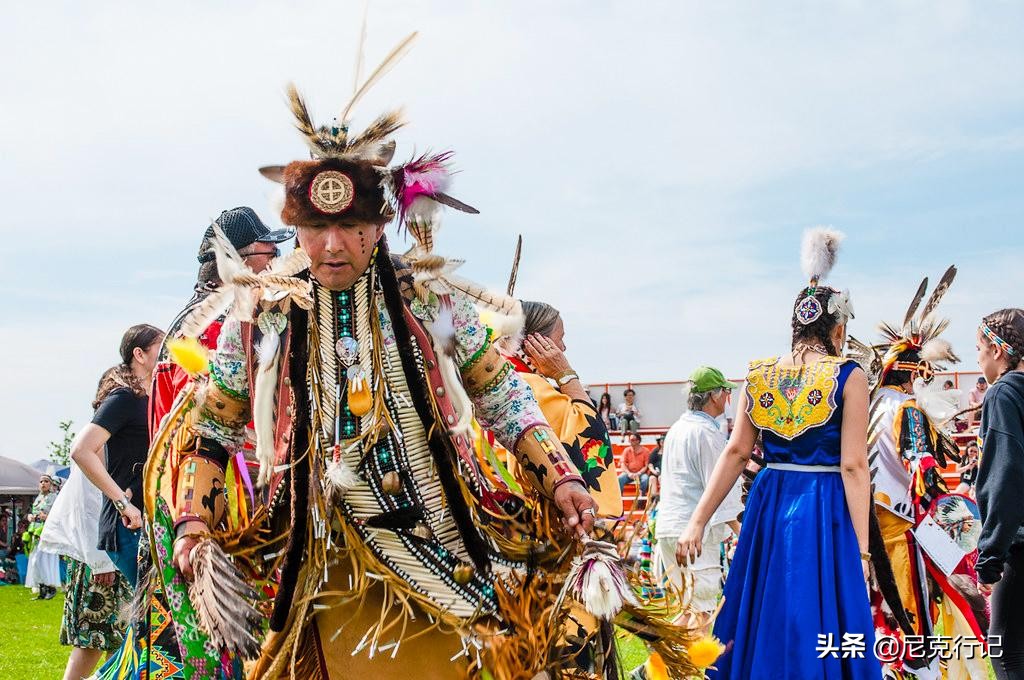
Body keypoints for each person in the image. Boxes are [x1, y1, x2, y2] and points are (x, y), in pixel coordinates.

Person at [111, 49, 687, 680]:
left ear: (380, 223)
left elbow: (500, 394)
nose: (333, 244)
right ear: (295, 229)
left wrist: (562, 477)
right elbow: (213, 427)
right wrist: (193, 522)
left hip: (443, 547)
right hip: (314, 566)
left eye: (351, 225)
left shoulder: (426, 300)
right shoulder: (262, 316)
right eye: (315, 227)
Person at [678, 228, 878, 679]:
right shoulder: (849, 375)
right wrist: (863, 553)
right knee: (820, 612)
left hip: (770, 501)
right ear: (838, 329)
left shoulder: (759, 375)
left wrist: (698, 520)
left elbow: (736, 452)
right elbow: (853, 465)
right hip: (823, 503)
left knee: (766, 610)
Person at [856, 266, 986, 679]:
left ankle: (894, 665)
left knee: (881, 606)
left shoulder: (871, 407)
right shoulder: (907, 409)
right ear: (915, 373)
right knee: (913, 609)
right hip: (901, 524)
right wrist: (943, 517)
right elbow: (920, 466)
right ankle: (920, 667)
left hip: (867, 524)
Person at [149, 207, 294, 434]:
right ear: (239, 264)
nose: (278, 262)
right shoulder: (212, 326)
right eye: (272, 254)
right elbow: (203, 425)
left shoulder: (201, 319)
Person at [498, 300, 622, 515]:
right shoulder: (530, 386)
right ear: (536, 343)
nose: (563, 348)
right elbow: (588, 429)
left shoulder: (501, 378)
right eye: (560, 338)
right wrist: (566, 374)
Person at [39, 395, 131, 680]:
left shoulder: (115, 443)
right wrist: (100, 562)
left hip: (116, 554)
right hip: (99, 559)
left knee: (119, 642)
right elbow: (87, 506)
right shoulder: (96, 446)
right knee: (92, 641)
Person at [71, 324, 164, 586]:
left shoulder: (155, 399)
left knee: (163, 605)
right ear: (139, 354)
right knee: (154, 604)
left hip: (151, 516)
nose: (169, 352)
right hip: (128, 525)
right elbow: (82, 451)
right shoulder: (124, 398)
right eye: (161, 346)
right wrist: (122, 501)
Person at [657, 367, 742, 623]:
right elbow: (720, 486)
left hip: (669, 528)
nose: (728, 397)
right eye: (725, 391)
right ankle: (675, 650)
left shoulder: (676, 429)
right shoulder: (707, 433)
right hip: (695, 534)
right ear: (714, 396)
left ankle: (660, 649)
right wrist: (741, 531)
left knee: (688, 609)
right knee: (701, 612)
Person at [974, 308, 1024, 680]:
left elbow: (1005, 476)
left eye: (979, 349)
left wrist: (990, 557)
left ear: (996, 349)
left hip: (1019, 548)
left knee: (1005, 653)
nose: (978, 359)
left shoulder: (1003, 394)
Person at [24, 472, 62, 599]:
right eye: (41, 481)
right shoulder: (38, 498)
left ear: (50, 484)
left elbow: (59, 515)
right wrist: (30, 516)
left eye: (46, 481)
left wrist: (47, 517)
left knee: (43, 560)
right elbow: (32, 512)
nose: (43, 484)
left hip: (47, 532)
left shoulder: (54, 497)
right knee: (35, 560)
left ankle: (50, 587)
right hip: (35, 532)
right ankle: (42, 588)